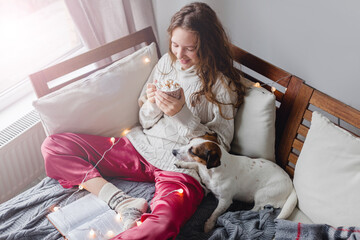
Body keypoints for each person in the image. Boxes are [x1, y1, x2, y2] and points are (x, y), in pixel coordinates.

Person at [41, 2, 245, 239]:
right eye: (175, 45)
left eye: (190, 48)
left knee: (159, 226)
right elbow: (145, 120)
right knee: (54, 145)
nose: (180, 55)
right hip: (142, 148)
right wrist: (151, 104)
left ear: (207, 46)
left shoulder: (223, 86)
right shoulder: (167, 63)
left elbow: (220, 149)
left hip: (183, 168)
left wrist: (181, 114)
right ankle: (123, 201)